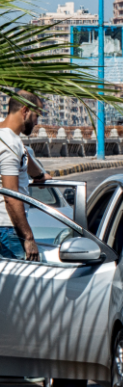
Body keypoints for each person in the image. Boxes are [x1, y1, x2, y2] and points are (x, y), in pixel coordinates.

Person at [0, 91, 52, 261]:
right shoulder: (9, 145)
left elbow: (25, 158)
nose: (37, 121)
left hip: (7, 227)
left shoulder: (10, 139)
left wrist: (40, 174)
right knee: (18, 285)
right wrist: (29, 238)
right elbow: (11, 197)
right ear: (25, 111)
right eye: (37, 115)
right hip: (8, 226)